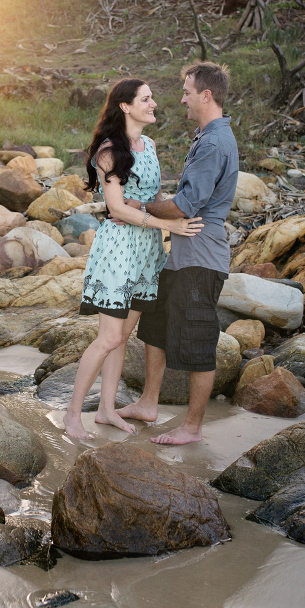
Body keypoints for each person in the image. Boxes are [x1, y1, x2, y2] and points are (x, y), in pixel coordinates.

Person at [63, 78, 203, 441]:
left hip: (147, 252)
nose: (154, 103)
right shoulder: (109, 151)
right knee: (109, 338)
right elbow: (116, 208)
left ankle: (107, 410)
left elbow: (152, 196)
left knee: (123, 336)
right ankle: (73, 414)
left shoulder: (150, 145)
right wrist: (169, 225)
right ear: (125, 106)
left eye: (152, 98)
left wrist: (174, 213)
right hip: (119, 250)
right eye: (146, 99)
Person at [120, 61, 239, 445]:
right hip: (181, 257)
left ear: (206, 96)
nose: (182, 98)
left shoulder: (215, 142)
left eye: (187, 92)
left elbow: (187, 206)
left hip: (202, 259)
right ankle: (149, 403)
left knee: (198, 340)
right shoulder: (206, 137)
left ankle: (192, 427)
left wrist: (141, 206)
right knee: (154, 326)